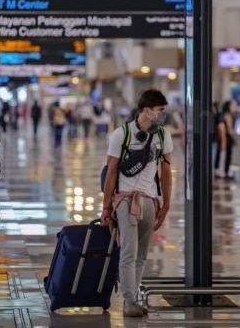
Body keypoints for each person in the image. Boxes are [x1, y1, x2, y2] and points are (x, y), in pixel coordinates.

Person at [101, 89, 173, 318]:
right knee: (129, 252)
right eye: (160, 111)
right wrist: (106, 206)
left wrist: (166, 205)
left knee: (142, 254)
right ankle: (129, 300)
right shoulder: (121, 135)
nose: (163, 115)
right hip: (125, 200)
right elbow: (111, 171)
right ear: (147, 111)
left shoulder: (163, 135)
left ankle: (133, 295)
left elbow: (166, 172)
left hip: (150, 200)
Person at [214, 101, 235, 179]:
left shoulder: (223, 115)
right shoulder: (227, 116)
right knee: (226, 155)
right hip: (226, 138)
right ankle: (224, 171)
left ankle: (223, 170)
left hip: (224, 138)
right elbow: (228, 129)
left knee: (223, 155)